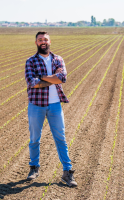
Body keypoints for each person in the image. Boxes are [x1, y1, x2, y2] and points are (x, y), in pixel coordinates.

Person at [25, 31, 77, 187]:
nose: (43, 42)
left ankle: (67, 172)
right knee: (35, 138)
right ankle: (34, 167)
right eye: (40, 39)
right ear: (36, 42)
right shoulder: (31, 61)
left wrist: (41, 77)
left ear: (50, 41)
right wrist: (52, 78)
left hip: (55, 105)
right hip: (36, 105)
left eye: (45, 39)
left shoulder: (58, 59)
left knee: (61, 138)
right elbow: (32, 82)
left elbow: (62, 78)